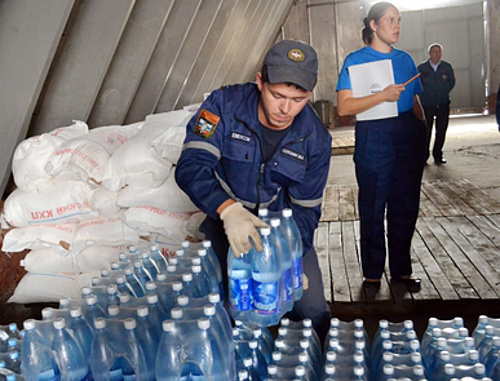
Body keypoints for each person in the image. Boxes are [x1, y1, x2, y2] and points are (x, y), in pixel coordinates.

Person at [175, 39, 332, 342]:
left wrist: (289, 257)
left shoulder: (315, 139)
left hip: (279, 230)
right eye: (278, 95)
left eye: (298, 99)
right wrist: (228, 209)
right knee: (228, 306)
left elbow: (306, 209)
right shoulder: (223, 106)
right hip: (226, 222)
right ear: (260, 82)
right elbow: (191, 166)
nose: (286, 108)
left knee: (312, 308)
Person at [335, 2, 426, 293]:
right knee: (373, 203)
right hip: (374, 133)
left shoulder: (406, 60)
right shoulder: (355, 60)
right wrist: (383, 96)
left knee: (405, 204)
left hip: (406, 132)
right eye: (390, 20)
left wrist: (422, 134)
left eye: (399, 20)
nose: (397, 26)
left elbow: (414, 102)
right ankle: (373, 272)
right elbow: (344, 107)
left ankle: (401, 270)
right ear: (373, 25)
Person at [418, 43, 456, 164]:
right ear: (429, 54)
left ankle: (438, 154)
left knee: (441, 130)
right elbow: (418, 85)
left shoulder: (446, 67)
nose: (437, 54)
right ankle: (423, 156)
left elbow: (451, 82)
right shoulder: (422, 68)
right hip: (427, 105)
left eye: (439, 52)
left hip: (443, 104)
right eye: (434, 52)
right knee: (426, 131)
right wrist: (425, 95)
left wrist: (443, 92)